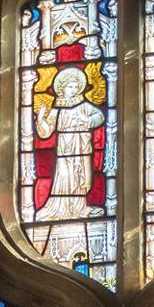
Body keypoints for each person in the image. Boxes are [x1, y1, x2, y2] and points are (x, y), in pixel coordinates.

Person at [32, 66, 106, 221]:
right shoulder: (57, 108)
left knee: (80, 179)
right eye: (69, 86)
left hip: (82, 147)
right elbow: (46, 132)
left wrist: (87, 120)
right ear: (62, 88)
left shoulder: (84, 105)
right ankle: (63, 208)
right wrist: (40, 120)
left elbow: (99, 116)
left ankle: (80, 207)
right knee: (64, 176)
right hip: (65, 150)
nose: (73, 90)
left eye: (75, 87)